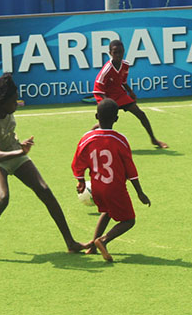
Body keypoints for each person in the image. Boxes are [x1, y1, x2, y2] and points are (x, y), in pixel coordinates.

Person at [0, 73, 89, 263]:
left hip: (15, 151)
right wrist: (22, 152)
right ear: (2, 102)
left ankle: (70, 242)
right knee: (2, 198)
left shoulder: (3, 109)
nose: (17, 101)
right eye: (13, 99)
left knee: (44, 190)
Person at [72, 98, 151, 262]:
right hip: (115, 187)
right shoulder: (120, 139)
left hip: (96, 187)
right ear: (116, 118)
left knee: (107, 211)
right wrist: (140, 193)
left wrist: (80, 180)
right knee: (129, 220)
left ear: (96, 116)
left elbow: (78, 161)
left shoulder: (87, 138)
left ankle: (93, 246)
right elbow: (131, 170)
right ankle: (103, 240)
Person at [92, 39, 168, 149]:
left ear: (124, 51)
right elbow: (97, 88)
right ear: (110, 53)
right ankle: (90, 137)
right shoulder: (107, 69)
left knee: (141, 114)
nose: (118, 55)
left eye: (120, 52)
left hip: (119, 94)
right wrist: (106, 103)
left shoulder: (125, 65)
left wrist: (130, 92)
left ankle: (154, 139)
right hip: (105, 96)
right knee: (107, 122)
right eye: (115, 52)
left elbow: (122, 81)